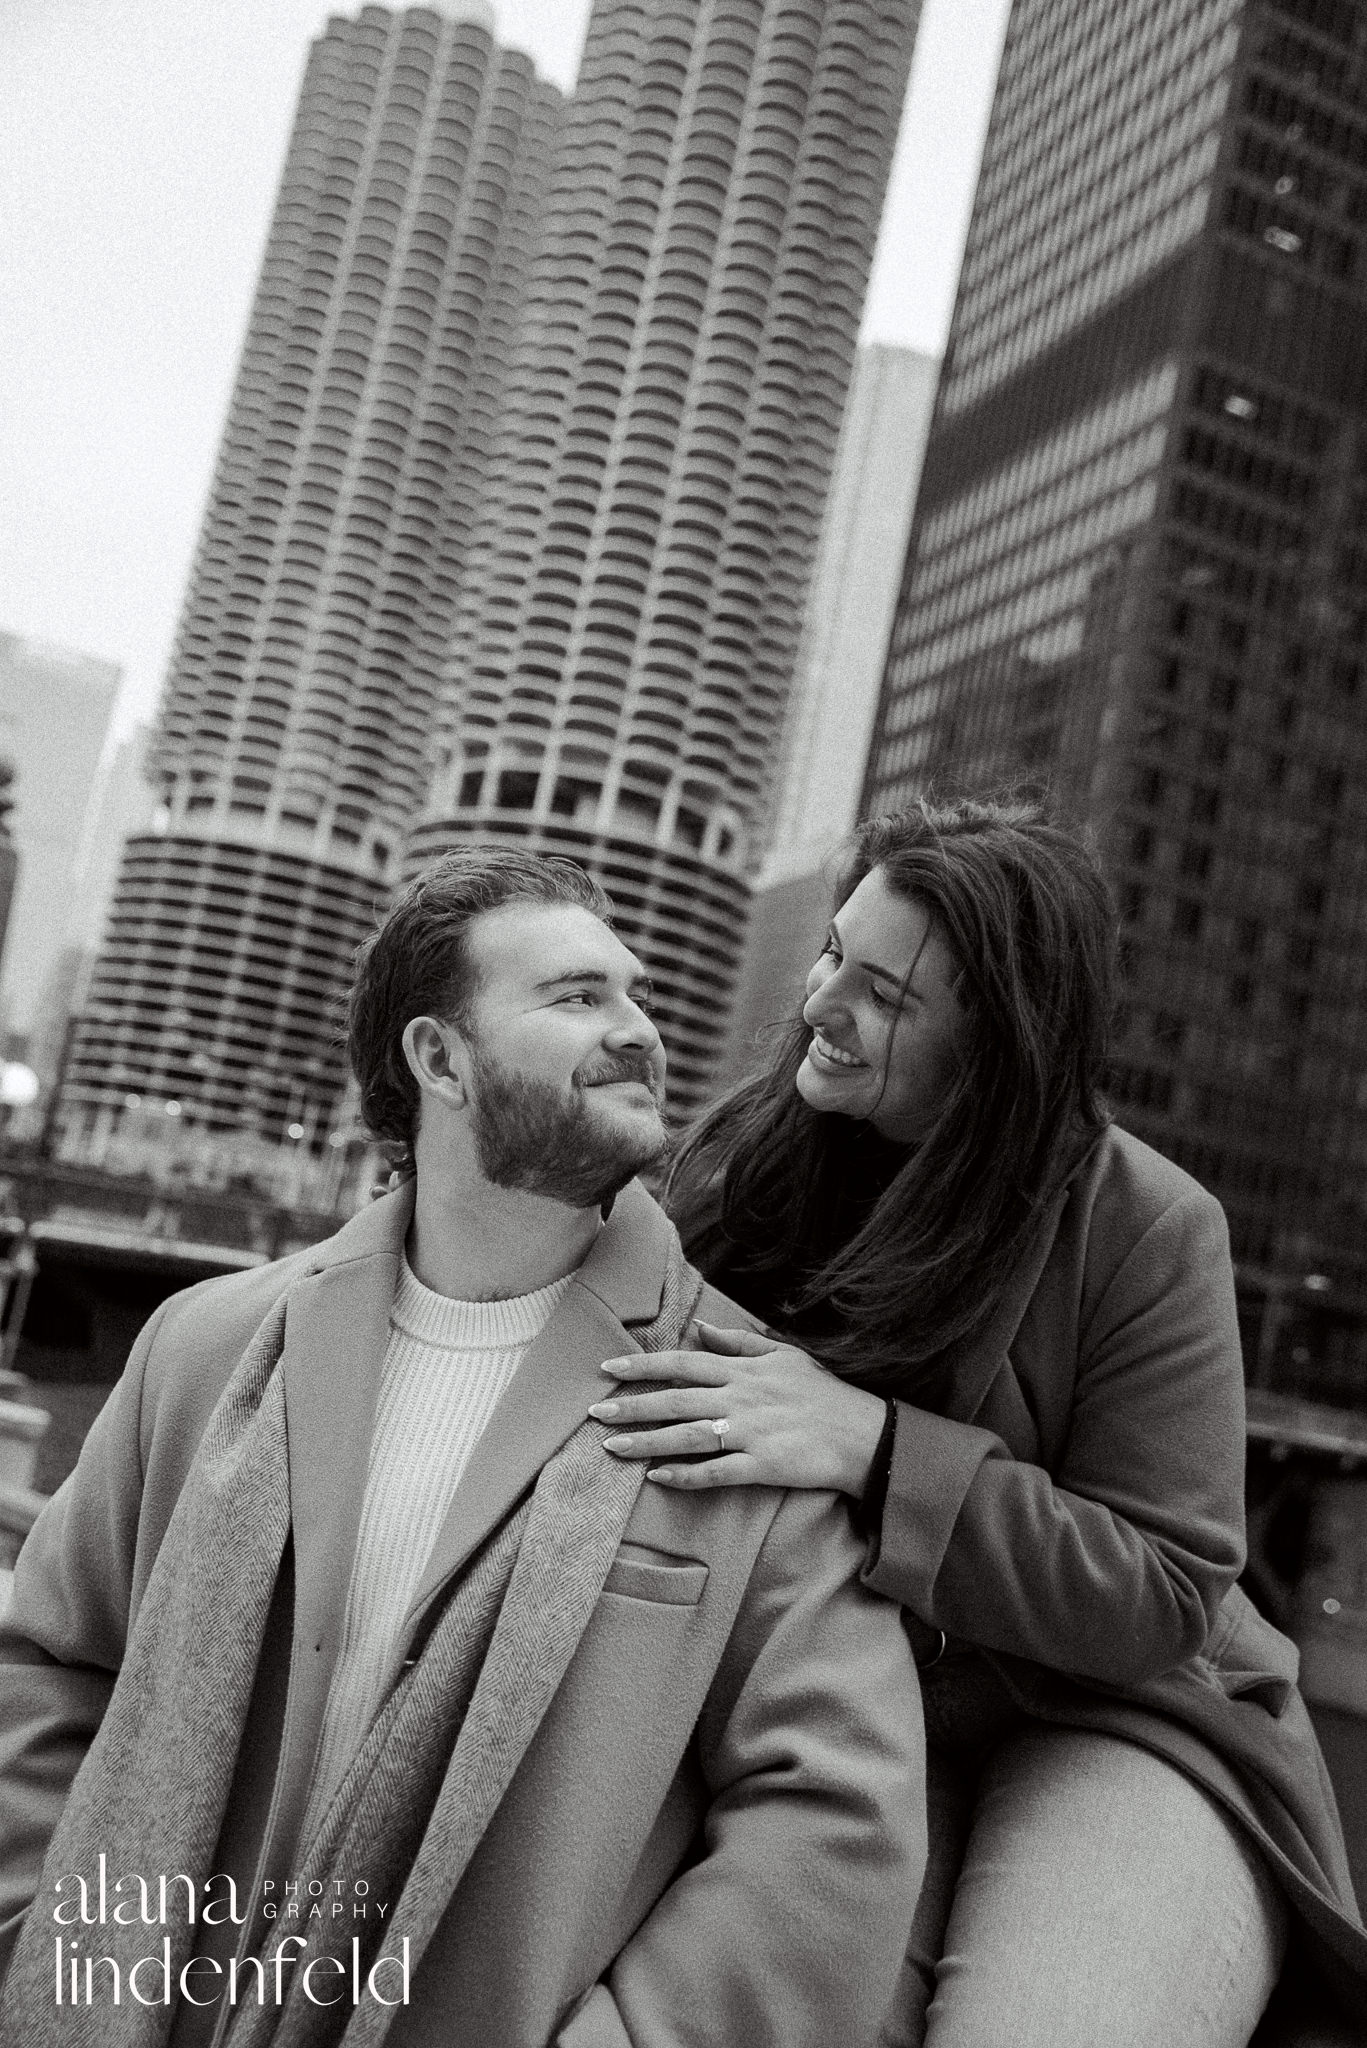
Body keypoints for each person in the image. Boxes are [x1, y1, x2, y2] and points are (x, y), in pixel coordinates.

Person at [0, 848, 926, 2048]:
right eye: (577, 995)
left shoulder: (736, 1401)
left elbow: (836, 1819)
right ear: (437, 1058)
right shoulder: (205, 1347)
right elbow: (49, 1661)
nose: (636, 1027)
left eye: (634, 993)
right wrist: (38, 1938)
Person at [589, 796, 1367, 2048]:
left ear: (993, 1045)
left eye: (883, 996)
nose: (818, 1002)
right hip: (827, 1706)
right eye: (833, 952)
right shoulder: (743, 1167)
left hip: (1117, 1724)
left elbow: (1163, 1591)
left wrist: (870, 1443)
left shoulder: (1150, 1227)